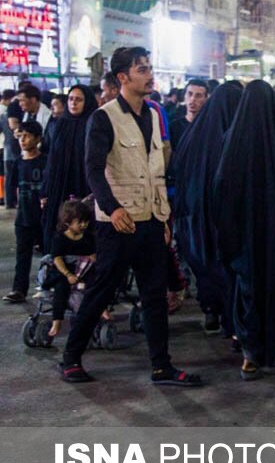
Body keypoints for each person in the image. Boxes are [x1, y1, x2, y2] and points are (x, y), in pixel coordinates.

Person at [59, 46, 202, 387]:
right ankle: (70, 358)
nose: (149, 74)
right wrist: (112, 208)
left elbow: (157, 168)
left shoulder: (153, 114)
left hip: (151, 220)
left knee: (155, 295)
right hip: (118, 224)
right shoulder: (103, 117)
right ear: (123, 77)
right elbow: (93, 169)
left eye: (150, 67)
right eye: (142, 69)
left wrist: (163, 218)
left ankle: (162, 367)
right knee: (101, 292)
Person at [213, 80, 275, 380]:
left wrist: (226, 230)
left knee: (248, 289)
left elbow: (221, 189)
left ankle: (250, 352)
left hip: (245, 234)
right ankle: (272, 347)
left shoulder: (234, 138)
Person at [171, 81, 244, 336]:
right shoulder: (235, 137)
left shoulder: (195, 135)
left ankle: (212, 309)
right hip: (222, 218)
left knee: (206, 266)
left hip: (195, 218)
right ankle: (230, 320)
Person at [39, 84, 99, 253]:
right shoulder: (60, 124)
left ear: (87, 102)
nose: (73, 103)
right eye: (71, 99)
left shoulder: (93, 125)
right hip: (59, 187)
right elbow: (52, 159)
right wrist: (46, 190)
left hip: (84, 186)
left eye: (79, 100)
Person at [3, 121, 46, 304]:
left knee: (49, 255)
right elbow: (12, 187)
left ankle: (48, 287)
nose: (23, 140)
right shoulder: (18, 163)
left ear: (37, 139)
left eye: (27, 136)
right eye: (20, 136)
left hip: (43, 218)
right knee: (23, 256)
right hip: (24, 218)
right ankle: (19, 290)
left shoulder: (46, 161)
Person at [43, 199, 97, 338]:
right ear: (67, 222)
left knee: (95, 284)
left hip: (83, 270)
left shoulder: (88, 237)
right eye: (80, 222)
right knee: (61, 288)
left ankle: (101, 310)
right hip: (64, 272)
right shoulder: (60, 238)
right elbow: (57, 258)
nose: (84, 225)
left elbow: (92, 255)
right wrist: (68, 275)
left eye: (86, 221)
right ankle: (57, 321)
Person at [168, 79, 209, 149]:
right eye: (190, 94)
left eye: (198, 95)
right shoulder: (173, 127)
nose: (193, 99)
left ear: (205, 99)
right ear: (184, 96)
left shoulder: (210, 128)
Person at [2, 89, 20, 208]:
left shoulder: (4, 113)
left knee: (9, 175)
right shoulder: (8, 110)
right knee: (11, 175)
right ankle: (10, 201)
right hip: (13, 148)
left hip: (7, 147)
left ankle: (9, 201)